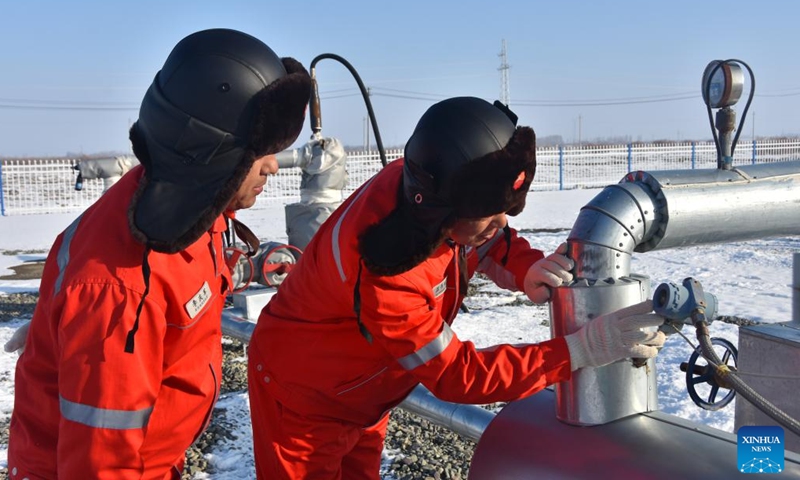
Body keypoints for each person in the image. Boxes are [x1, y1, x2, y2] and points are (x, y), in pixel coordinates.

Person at [247, 96, 666, 479]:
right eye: (490, 213)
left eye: (505, 210)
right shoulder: (386, 269)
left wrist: (525, 268)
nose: (502, 224)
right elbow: (457, 376)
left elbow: (485, 237)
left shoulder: (434, 187)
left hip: (362, 392)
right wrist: (579, 350)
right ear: (437, 211)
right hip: (305, 402)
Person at [7, 28, 311, 479]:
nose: (272, 166)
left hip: (154, 460)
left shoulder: (192, 210)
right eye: (260, 152)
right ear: (210, 153)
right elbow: (100, 463)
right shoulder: (119, 285)